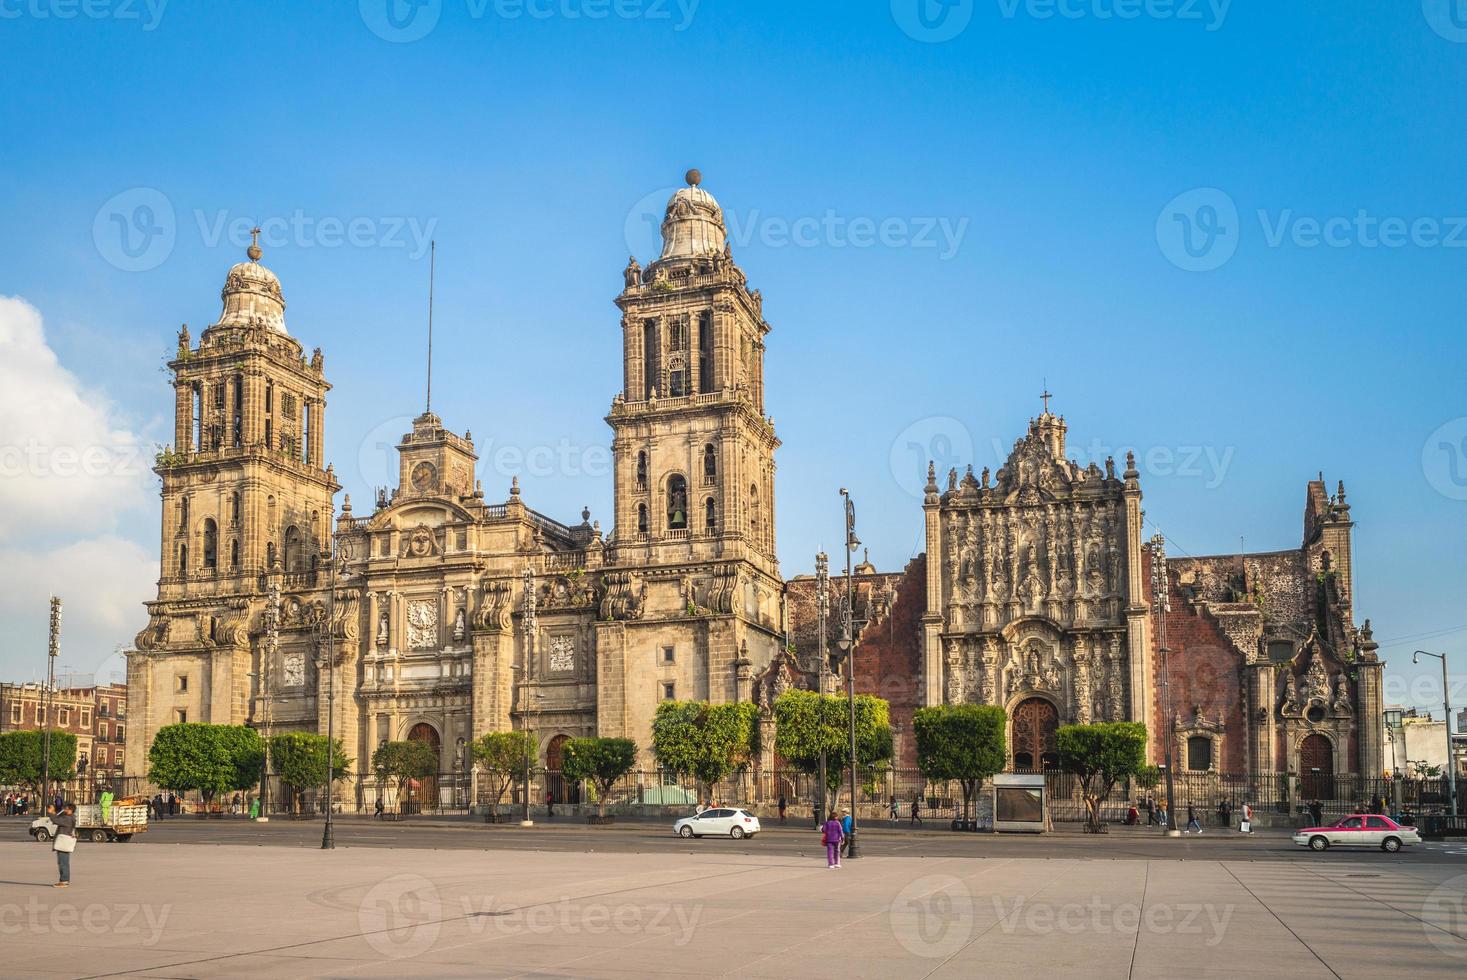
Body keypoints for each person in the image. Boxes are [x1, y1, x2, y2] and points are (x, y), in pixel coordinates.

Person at [52, 802, 76, 888]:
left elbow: (55, 820)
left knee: (63, 863)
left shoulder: (68, 818)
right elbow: (58, 818)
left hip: (63, 842)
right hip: (64, 842)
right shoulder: (69, 817)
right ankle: (64, 880)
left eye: (65, 808)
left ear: (70, 810)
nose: (64, 810)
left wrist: (52, 813)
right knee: (63, 862)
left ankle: (64, 881)